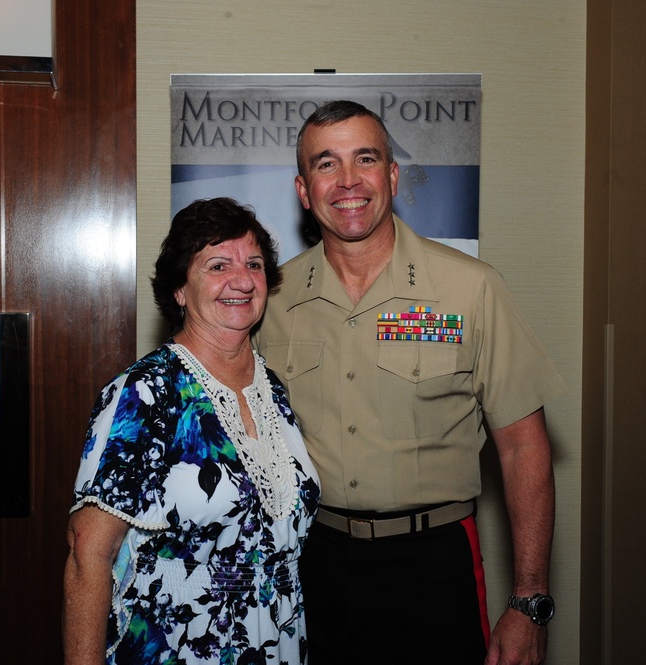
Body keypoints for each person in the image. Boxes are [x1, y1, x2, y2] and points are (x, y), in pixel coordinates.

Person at [256, 101, 566, 665]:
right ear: (304, 190)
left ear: (392, 176)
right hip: (310, 565)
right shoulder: (270, 300)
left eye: (365, 159)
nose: (348, 181)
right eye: (326, 165)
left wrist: (529, 600)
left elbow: (524, 448)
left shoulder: (469, 290)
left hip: (434, 566)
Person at [63, 197, 321, 665]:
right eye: (218, 265)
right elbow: (88, 555)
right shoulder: (145, 394)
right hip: (180, 650)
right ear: (180, 288)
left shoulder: (274, 391)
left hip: (280, 643)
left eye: (254, 264)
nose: (242, 281)